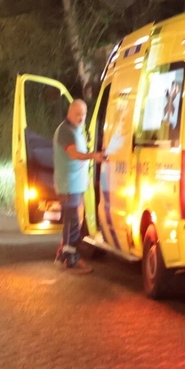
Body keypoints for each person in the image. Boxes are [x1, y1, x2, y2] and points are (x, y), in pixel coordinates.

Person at [53, 99, 106, 274]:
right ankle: (70, 259)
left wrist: (86, 178)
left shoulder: (76, 130)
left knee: (73, 220)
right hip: (68, 185)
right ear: (70, 112)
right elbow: (74, 154)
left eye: (84, 115)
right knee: (72, 221)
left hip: (75, 184)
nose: (81, 118)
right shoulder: (66, 131)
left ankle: (64, 254)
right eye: (78, 114)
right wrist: (94, 156)